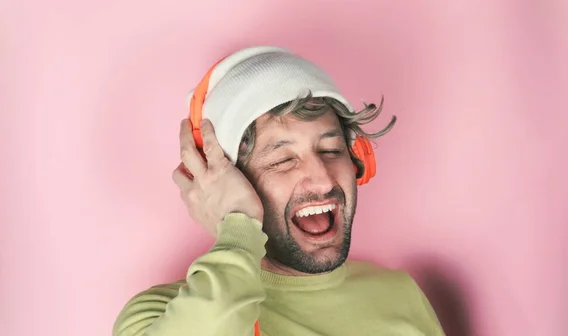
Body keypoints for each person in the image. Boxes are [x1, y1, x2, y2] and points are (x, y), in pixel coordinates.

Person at [112, 46, 445, 336]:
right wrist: (238, 225)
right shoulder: (158, 314)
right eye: (283, 160)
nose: (323, 180)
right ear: (228, 182)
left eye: (331, 151)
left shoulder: (400, 294)